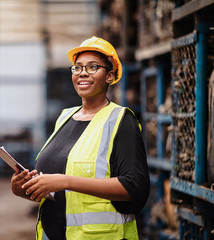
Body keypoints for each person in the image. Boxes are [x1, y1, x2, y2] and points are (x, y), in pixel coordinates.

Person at [11, 36, 150, 240]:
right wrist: (24, 188)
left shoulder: (121, 120)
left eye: (93, 67)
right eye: (77, 68)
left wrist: (64, 181)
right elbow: (61, 196)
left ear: (109, 76)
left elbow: (134, 188)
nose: (83, 72)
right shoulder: (65, 117)